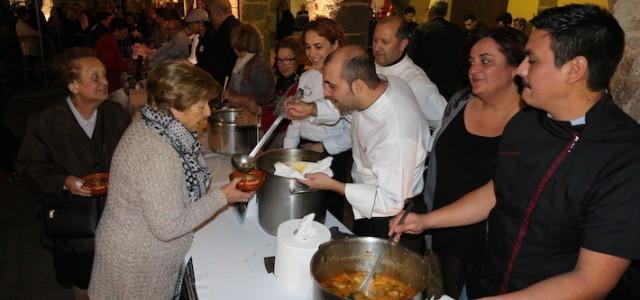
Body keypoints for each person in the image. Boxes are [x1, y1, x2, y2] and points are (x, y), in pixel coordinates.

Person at [390, 4, 640, 299]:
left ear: (575, 69)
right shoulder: (526, 122)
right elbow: (498, 190)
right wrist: (426, 221)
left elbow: (590, 280)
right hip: (485, 280)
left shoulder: (625, 157)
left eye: (532, 61)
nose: (520, 70)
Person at [88, 61, 253, 298]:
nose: (208, 111)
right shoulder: (157, 152)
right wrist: (223, 196)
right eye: (201, 105)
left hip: (136, 251)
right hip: (135, 266)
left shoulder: (155, 125)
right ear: (175, 108)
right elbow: (169, 226)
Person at [287, 46, 430, 253]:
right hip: (366, 199)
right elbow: (348, 107)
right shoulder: (378, 84)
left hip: (391, 218)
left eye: (331, 86)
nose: (326, 93)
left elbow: (389, 200)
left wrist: (334, 186)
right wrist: (311, 108)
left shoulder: (396, 132)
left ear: (358, 86)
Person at [16, 47, 130, 300]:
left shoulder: (116, 114)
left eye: (103, 74)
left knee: (119, 281)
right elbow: (27, 165)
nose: (105, 82)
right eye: (95, 77)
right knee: (83, 285)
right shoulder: (45, 122)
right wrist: (64, 181)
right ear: (73, 85)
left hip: (116, 219)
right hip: (74, 225)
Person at [425, 28, 526, 298]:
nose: (474, 69)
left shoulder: (530, 125)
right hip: (445, 232)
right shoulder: (459, 101)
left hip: (492, 248)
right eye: (471, 61)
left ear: (516, 66)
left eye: (486, 60)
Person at [282, 17, 352, 222]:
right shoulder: (307, 77)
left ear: (336, 45)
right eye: (308, 47)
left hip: (333, 156)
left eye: (318, 46)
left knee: (327, 214)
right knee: (302, 207)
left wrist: (324, 146)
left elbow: (350, 127)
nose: (312, 54)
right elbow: (296, 122)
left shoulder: (347, 80)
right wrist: (289, 155)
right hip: (305, 150)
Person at [373, 15, 446, 133]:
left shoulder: (417, 83)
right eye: (375, 40)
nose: (377, 47)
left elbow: (444, 121)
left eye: (384, 42)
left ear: (402, 44)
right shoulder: (368, 67)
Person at [409, 1, 465, 99]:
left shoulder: (421, 29)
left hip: (425, 80)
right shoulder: (456, 30)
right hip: (448, 83)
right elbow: (461, 57)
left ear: (431, 11)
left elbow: (411, 57)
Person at [222, 23, 275, 116]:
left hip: (252, 118)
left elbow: (267, 98)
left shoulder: (258, 65)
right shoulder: (241, 62)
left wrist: (235, 97)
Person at [264, 35, 306, 149]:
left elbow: (286, 120)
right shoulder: (282, 81)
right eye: (279, 60)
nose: (283, 65)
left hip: (292, 142)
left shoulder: (301, 84)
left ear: (298, 60)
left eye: (288, 60)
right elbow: (273, 108)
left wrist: (257, 120)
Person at [200, 0, 240, 84]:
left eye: (209, 14)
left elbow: (218, 63)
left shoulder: (225, 32)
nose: (209, 19)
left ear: (215, 13)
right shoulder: (237, 25)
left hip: (225, 82)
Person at [94, 17, 131, 94]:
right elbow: (109, 64)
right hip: (109, 81)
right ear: (116, 30)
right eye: (124, 33)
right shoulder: (107, 42)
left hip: (111, 79)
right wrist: (127, 66)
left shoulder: (110, 39)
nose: (125, 36)